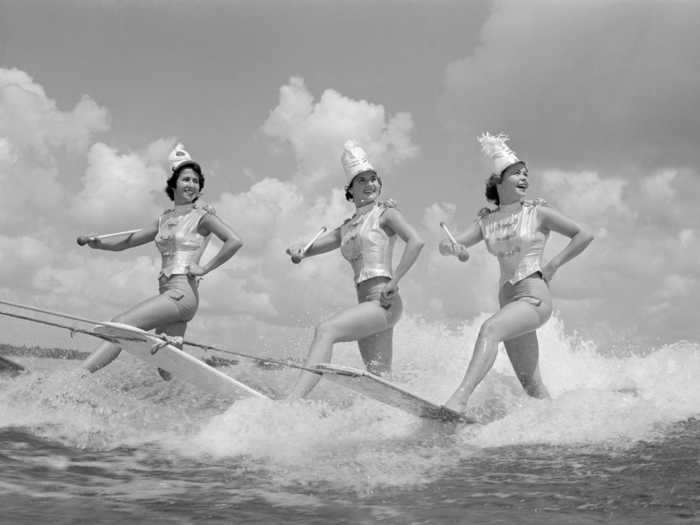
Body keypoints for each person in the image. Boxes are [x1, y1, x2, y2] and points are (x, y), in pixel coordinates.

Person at [439, 133, 594, 414]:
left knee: (490, 329)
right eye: (516, 174)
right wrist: (452, 248)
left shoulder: (538, 212)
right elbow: (450, 244)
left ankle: (459, 399)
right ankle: (559, 427)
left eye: (526, 174)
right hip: (509, 303)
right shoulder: (487, 221)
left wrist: (554, 264)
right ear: (498, 181)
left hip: (533, 297)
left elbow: (584, 235)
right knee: (532, 388)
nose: (524, 178)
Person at [79, 143, 243, 375]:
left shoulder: (203, 216)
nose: (191, 184)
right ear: (173, 184)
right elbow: (130, 241)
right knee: (165, 367)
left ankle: (74, 381)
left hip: (181, 293)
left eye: (196, 181)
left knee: (120, 326)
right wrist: (98, 244)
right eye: (186, 179)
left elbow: (234, 240)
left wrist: (204, 268)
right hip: (167, 292)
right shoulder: (164, 219)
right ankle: (186, 384)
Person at [285, 141, 424, 399]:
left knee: (326, 330)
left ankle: (293, 400)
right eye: (362, 181)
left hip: (384, 302)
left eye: (374, 179)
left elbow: (417, 242)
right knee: (378, 380)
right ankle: (389, 423)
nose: (371, 184)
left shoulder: (386, 214)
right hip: (366, 305)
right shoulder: (347, 227)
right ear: (350, 189)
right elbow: (307, 249)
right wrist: (296, 249)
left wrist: (395, 281)